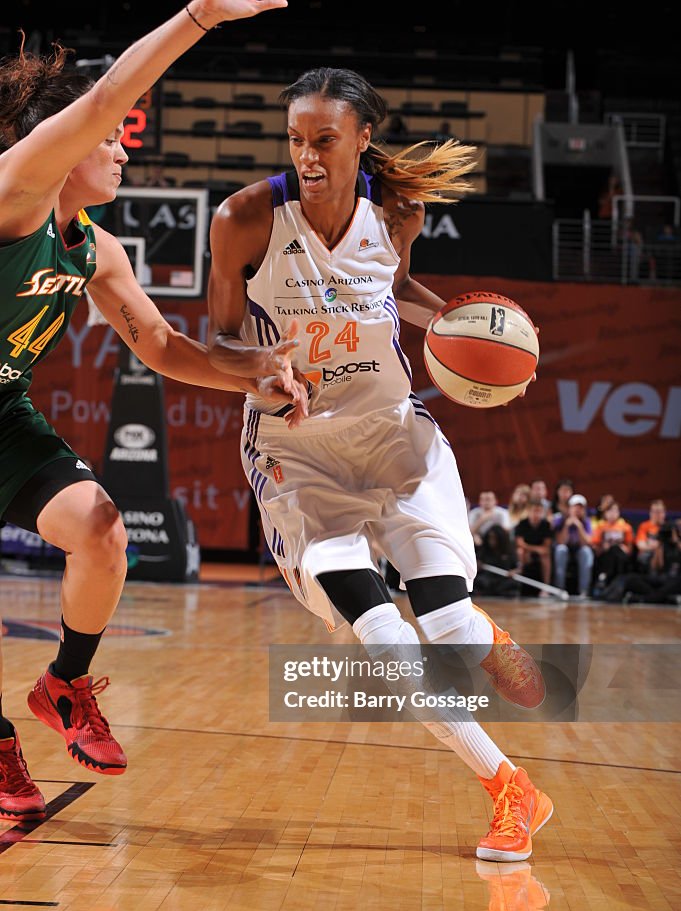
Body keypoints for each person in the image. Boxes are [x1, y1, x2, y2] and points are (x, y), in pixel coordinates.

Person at [206, 66, 552, 862]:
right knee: (380, 634)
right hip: (297, 453)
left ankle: (479, 630)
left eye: (324, 140)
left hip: (395, 437)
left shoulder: (396, 210)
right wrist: (260, 368)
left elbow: (394, 291)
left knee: (445, 621)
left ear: (362, 138)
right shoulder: (244, 218)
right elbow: (217, 338)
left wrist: (485, 339)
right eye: (295, 140)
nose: (308, 156)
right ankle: (510, 789)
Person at [0, 0, 305, 824]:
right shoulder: (12, 196)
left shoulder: (97, 248)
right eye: (108, 141)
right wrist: (198, 16)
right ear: (57, 145)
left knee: (101, 530)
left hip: (0, 412)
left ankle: (64, 685)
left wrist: (255, 375)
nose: (122, 146)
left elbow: (164, 346)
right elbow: (101, 103)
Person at [552, 493, 594, 598]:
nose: (577, 510)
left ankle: (584, 591)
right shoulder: (560, 520)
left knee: (586, 552)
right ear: (569, 508)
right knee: (560, 550)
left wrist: (579, 527)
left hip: (579, 551)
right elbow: (560, 541)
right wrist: (566, 526)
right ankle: (559, 590)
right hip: (565, 550)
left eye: (580, 508)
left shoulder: (586, 522)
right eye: (575, 507)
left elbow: (587, 543)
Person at [591, 501, 634, 592]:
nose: (612, 514)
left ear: (619, 513)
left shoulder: (626, 527)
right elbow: (595, 547)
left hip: (621, 557)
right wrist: (603, 547)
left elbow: (629, 549)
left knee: (616, 551)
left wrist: (624, 548)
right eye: (610, 511)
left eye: (615, 511)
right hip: (605, 556)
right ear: (605, 513)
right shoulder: (601, 527)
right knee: (612, 551)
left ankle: (612, 581)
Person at [514, 499, 554, 596]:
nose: (536, 514)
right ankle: (518, 584)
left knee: (546, 557)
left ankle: (546, 587)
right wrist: (533, 549)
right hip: (526, 551)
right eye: (534, 511)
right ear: (529, 511)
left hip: (540, 553)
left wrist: (535, 550)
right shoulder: (522, 524)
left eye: (539, 511)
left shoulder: (546, 525)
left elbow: (546, 546)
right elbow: (520, 543)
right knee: (520, 552)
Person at [635, 499, 668, 571]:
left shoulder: (669, 527)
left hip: (665, 555)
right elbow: (641, 545)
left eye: (660, 512)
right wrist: (656, 547)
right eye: (655, 512)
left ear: (664, 513)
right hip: (648, 554)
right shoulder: (644, 526)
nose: (657, 514)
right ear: (650, 513)